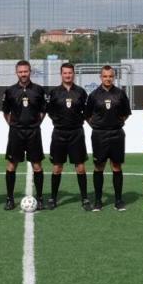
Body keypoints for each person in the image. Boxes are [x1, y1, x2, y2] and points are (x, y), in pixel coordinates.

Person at [0, 60, 48, 210]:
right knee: (12, 164)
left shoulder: (39, 90)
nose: (23, 74)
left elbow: (43, 111)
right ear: (17, 73)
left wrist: (35, 123)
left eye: (25, 71)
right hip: (16, 132)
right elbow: (6, 112)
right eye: (20, 72)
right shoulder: (10, 91)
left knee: (37, 165)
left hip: (33, 132)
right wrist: (14, 125)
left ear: (30, 72)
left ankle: (40, 198)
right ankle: (10, 199)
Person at [84, 64, 132, 211]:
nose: (108, 79)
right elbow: (87, 115)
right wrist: (98, 126)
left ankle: (118, 200)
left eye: (110, 76)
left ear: (114, 77)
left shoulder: (120, 94)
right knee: (99, 166)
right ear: (100, 77)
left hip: (117, 134)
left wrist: (117, 123)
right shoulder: (93, 95)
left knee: (116, 166)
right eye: (105, 76)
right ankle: (98, 201)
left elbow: (125, 113)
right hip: (99, 135)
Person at [46, 62, 91, 210]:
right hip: (59, 133)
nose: (67, 75)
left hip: (76, 133)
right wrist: (58, 121)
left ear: (73, 74)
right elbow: (49, 111)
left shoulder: (81, 92)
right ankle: (53, 198)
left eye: (70, 73)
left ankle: (85, 198)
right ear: (61, 74)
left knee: (80, 167)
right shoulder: (54, 93)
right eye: (65, 73)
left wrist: (78, 121)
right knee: (57, 167)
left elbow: (87, 111)